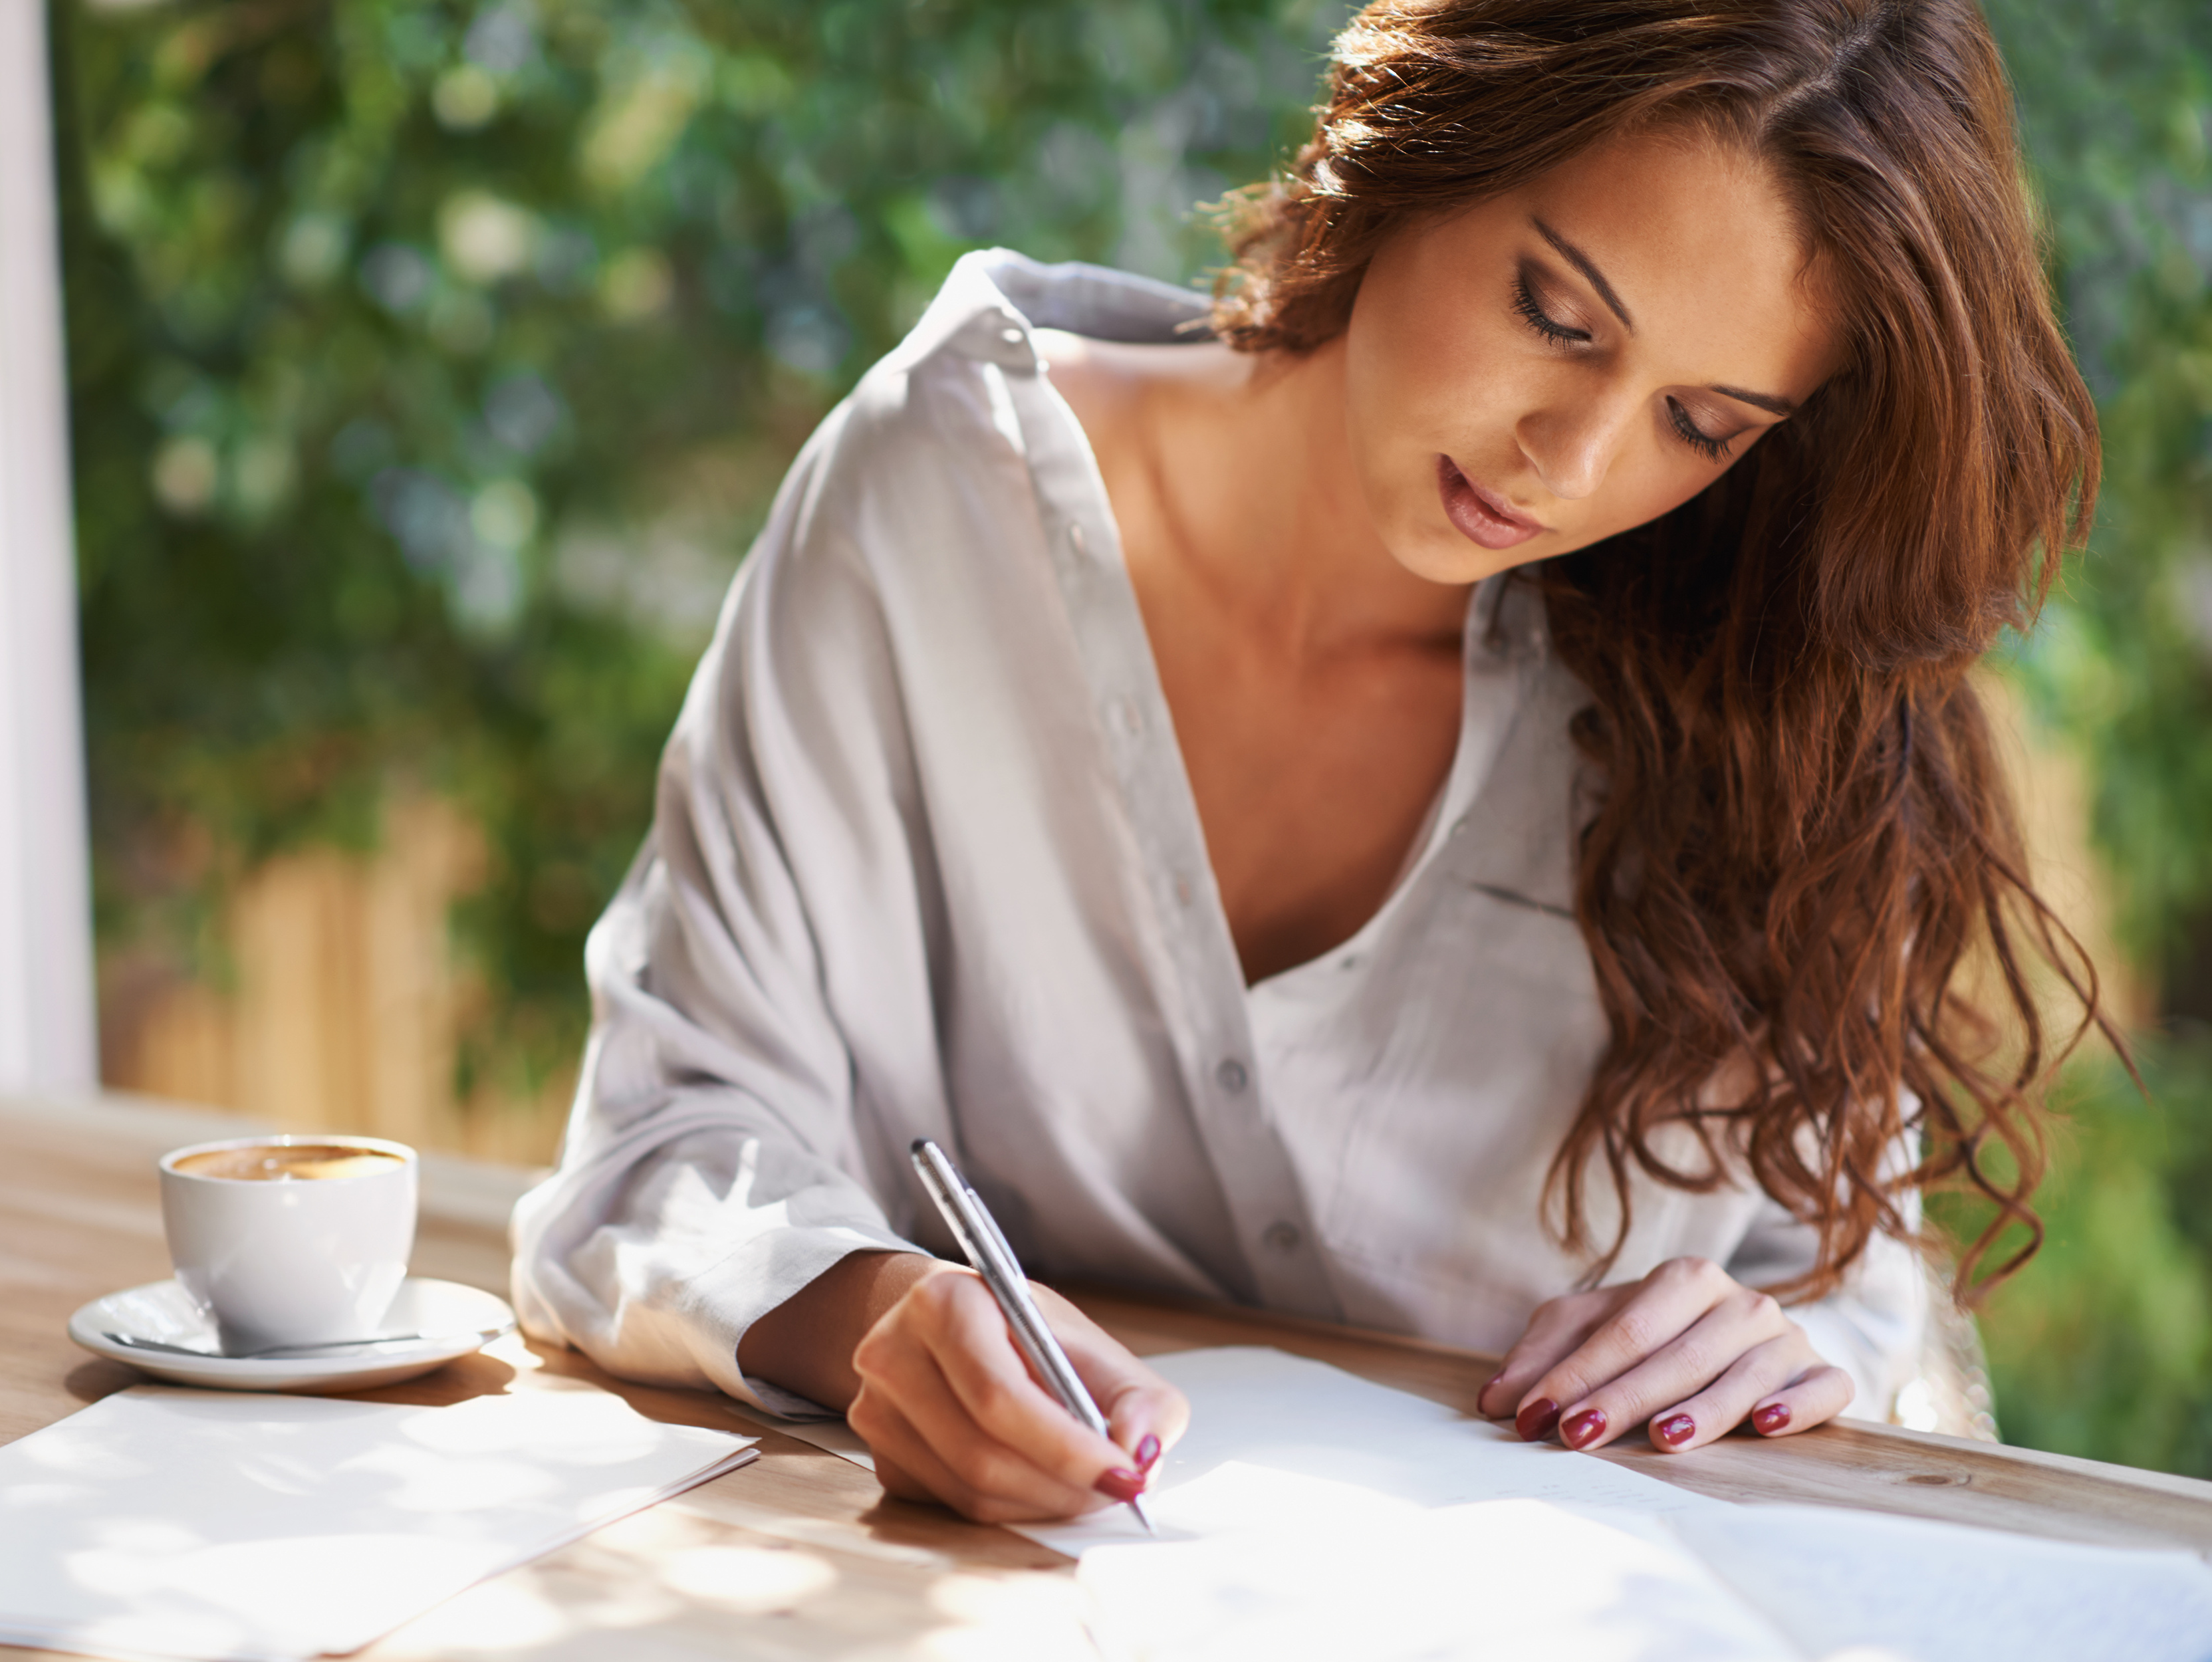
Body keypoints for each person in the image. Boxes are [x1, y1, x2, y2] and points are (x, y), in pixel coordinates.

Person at [513, 0, 2107, 1526]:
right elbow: (659, 1142)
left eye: (1701, 422)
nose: (1573, 460)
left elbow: (1854, 1285)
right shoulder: (940, 504)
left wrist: (1793, 1345)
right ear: (1421, 140)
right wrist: (878, 1311)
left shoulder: (1763, 690)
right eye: (1554, 314)